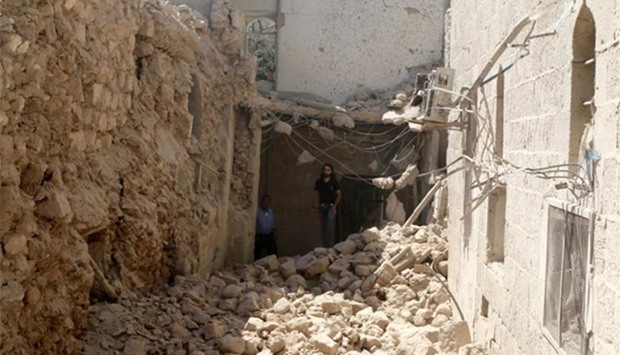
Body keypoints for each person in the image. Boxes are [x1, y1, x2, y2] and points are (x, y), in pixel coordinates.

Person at [312, 163, 341, 247]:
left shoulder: (334, 182)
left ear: (331, 171)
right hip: (322, 206)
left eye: (328, 170)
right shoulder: (319, 182)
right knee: (323, 227)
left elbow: (339, 194)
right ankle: (325, 247)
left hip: (331, 207)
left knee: (330, 227)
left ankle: (330, 246)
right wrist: (313, 206)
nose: (326, 171)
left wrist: (335, 206)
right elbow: (316, 193)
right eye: (325, 169)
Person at [254, 194, 277, 260]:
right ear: (261, 202)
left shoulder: (270, 211)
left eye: (267, 201)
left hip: (269, 235)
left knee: (273, 253)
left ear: (270, 202)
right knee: (257, 253)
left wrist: (275, 232)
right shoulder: (257, 211)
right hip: (260, 236)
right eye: (264, 201)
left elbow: (274, 222)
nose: (266, 203)